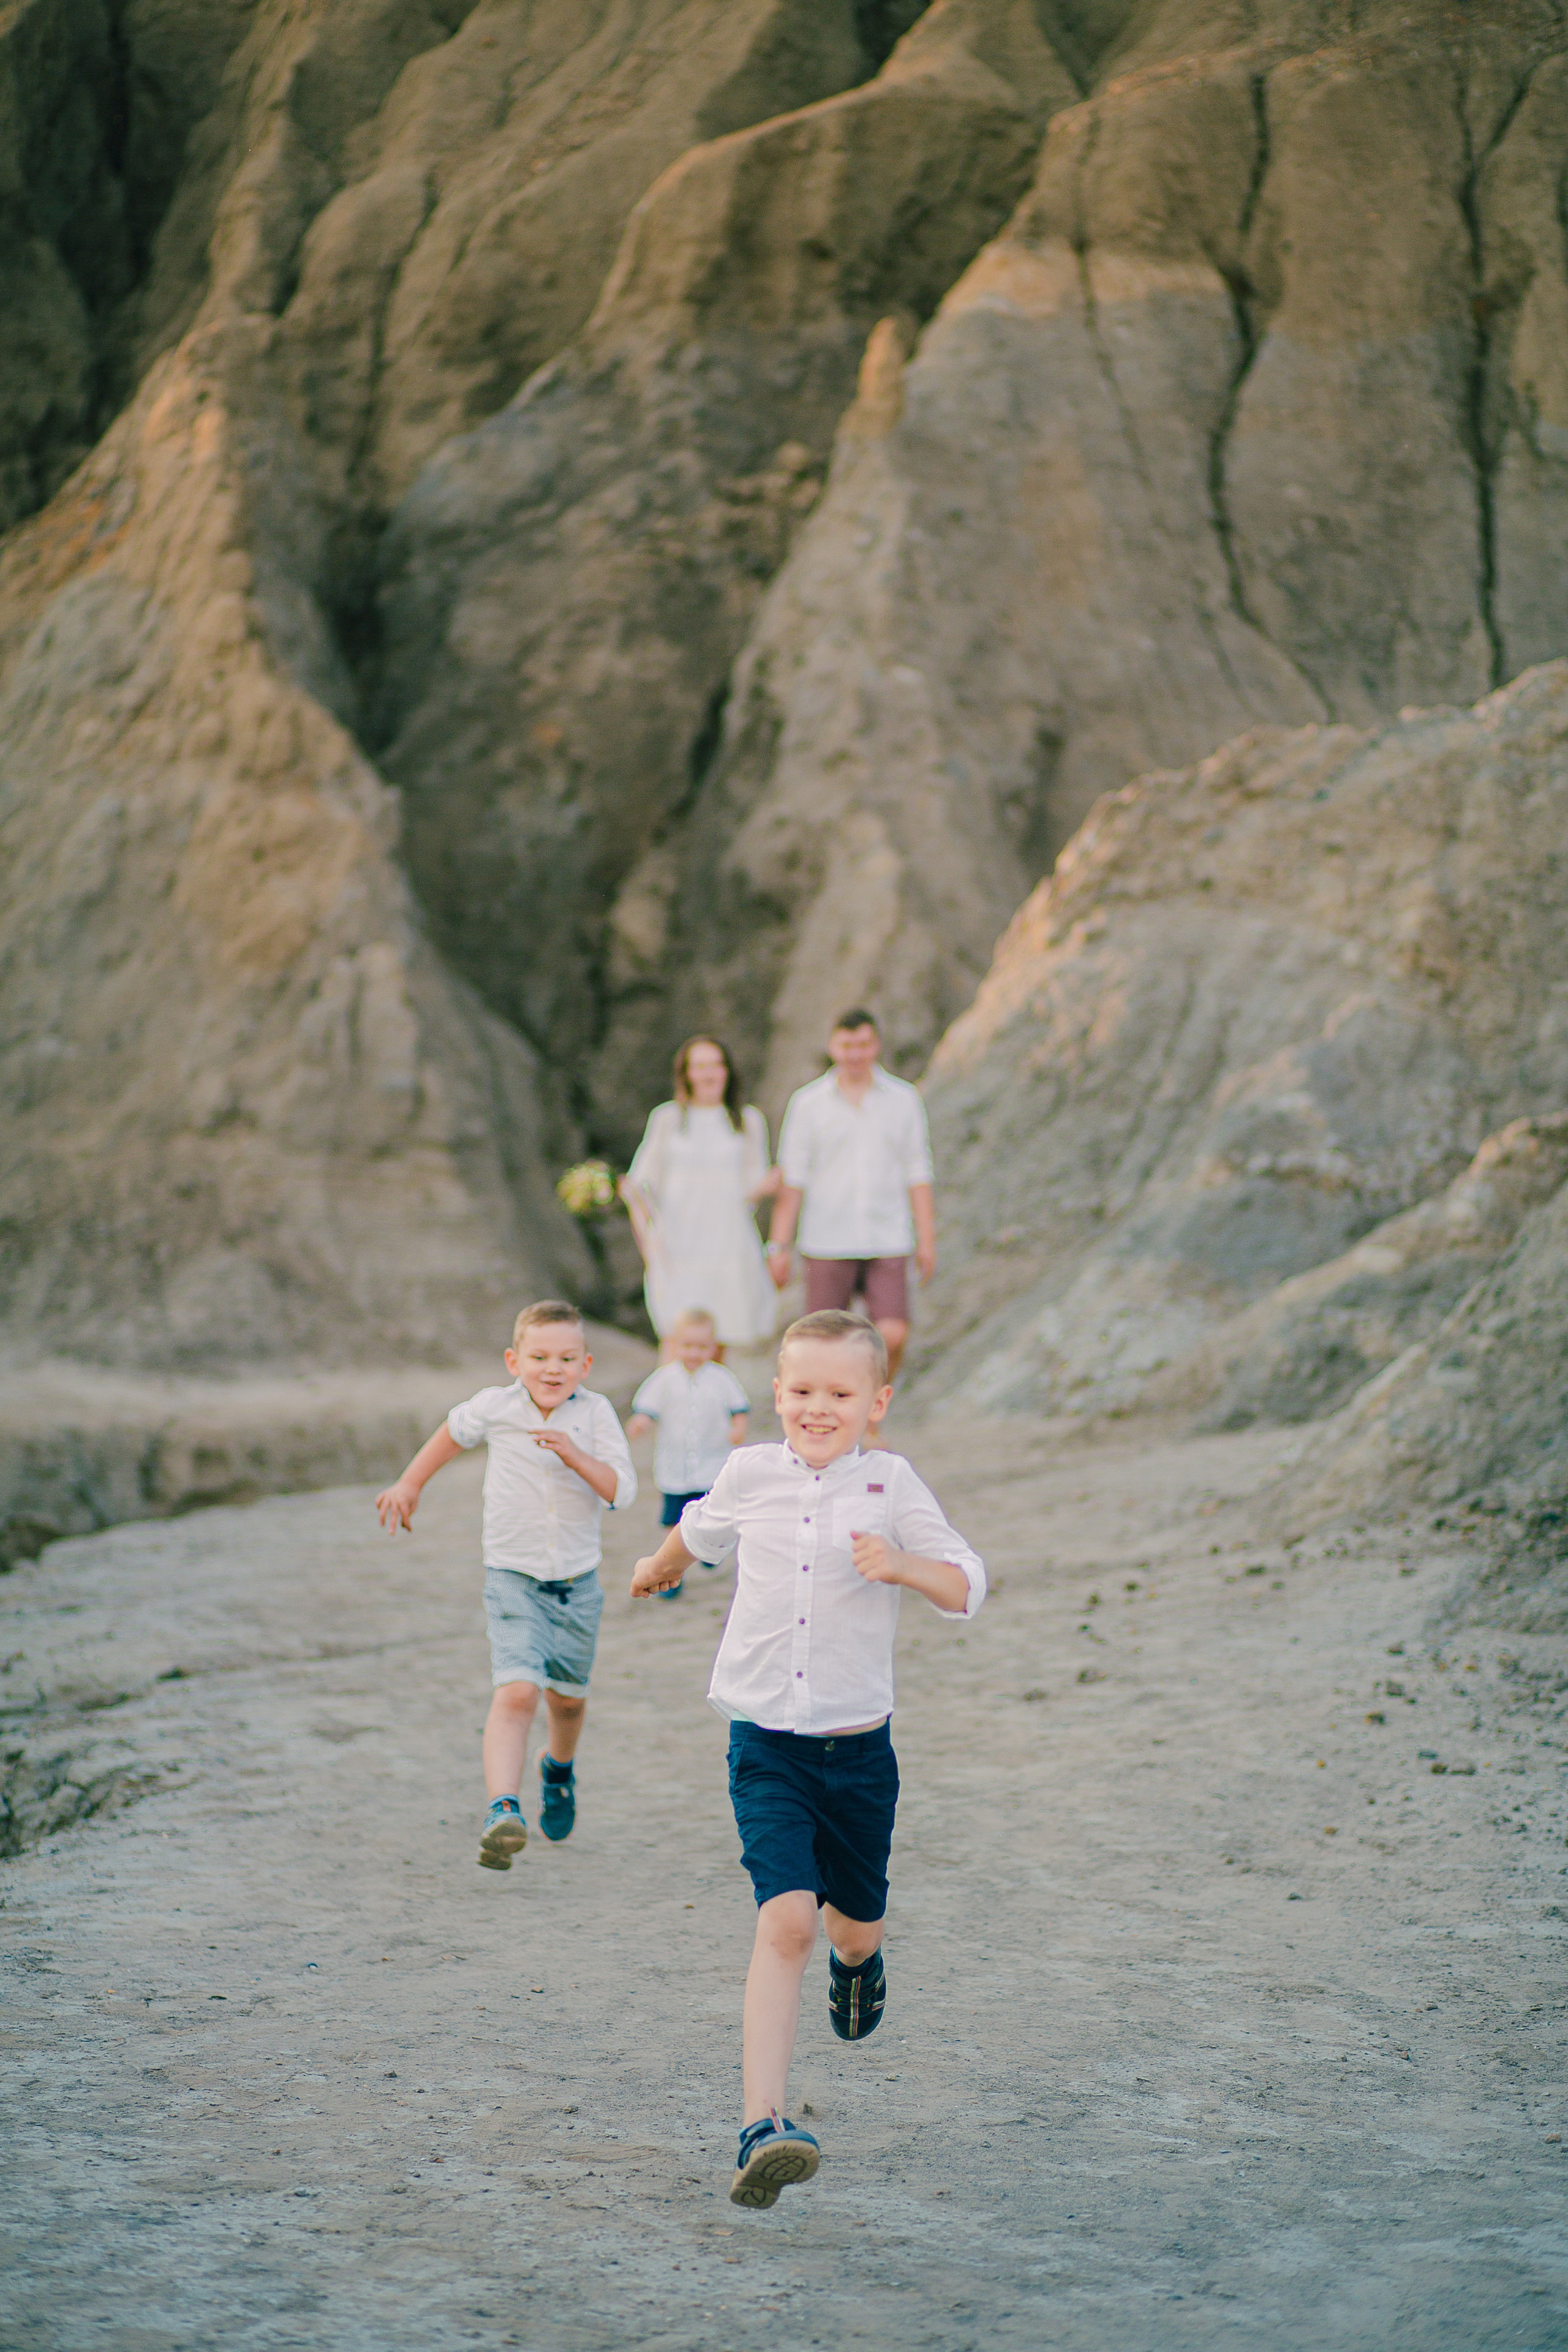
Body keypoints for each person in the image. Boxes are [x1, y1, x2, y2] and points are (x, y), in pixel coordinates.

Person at [629, 1308, 984, 2209]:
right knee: (786, 1920)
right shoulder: (749, 1471)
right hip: (765, 1743)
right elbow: (700, 1531)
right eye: (801, 1391)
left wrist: (901, 1566)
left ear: (877, 1402)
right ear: (778, 1393)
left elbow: (964, 1584)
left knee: (850, 1930)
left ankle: (857, 1964)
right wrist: (659, 1566)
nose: (818, 1408)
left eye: (840, 1393)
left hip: (859, 1755)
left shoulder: (892, 1485)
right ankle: (762, 2125)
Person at [374, 1301, 635, 1870]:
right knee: (517, 1691)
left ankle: (558, 1771)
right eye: (539, 1357)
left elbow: (622, 1490)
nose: (552, 1369)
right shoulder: (496, 1406)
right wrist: (410, 1483)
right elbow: (452, 1432)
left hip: (578, 1583)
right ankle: (502, 1807)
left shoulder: (595, 1415)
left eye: (566, 1358)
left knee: (567, 1702)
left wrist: (576, 1456)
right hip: (512, 1576)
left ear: (586, 1364)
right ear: (515, 1361)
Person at [767, 1009, 935, 1436]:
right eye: (846, 1045)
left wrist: (927, 1239)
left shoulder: (902, 1099)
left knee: (892, 1334)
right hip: (827, 1240)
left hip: (888, 1236)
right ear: (832, 1046)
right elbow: (793, 1180)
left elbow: (918, 1172)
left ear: (875, 1045)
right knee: (821, 1344)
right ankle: (827, 1423)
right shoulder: (808, 1103)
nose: (855, 1054)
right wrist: (779, 1245)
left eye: (863, 1045)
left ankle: (868, 1413)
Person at [620, 1036, 778, 1352]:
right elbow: (645, 1179)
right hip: (679, 1237)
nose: (709, 1073)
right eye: (701, 1066)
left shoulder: (747, 1120)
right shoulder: (668, 1118)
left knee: (720, 1333)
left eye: (716, 1065)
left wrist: (772, 1183)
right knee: (676, 1332)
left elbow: (753, 1183)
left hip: (727, 1236)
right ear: (687, 1074)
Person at [625, 1308, 750, 1601]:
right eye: (687, 1345)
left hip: (712, 1465)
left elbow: (739, 1408)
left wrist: (738, 1428)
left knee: (714, 1514)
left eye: (702, 1347)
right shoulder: (664, 1378)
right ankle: (671, 1574)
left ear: (714, 1346)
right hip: (675, 1468)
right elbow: (647, 1408)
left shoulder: (722, 1378)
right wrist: (641, 1422)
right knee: (673, 1521)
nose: (694, 1353)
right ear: (673, 1344)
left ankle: (709, 1551)